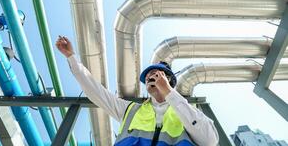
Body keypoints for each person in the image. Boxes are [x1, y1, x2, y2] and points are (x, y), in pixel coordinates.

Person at [56, 36, 219, 146]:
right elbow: (95, 91)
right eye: (147, 76)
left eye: (155, 74)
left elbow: (210, 140)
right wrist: (71, 58)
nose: (149, 77)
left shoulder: (187, 111)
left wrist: (169, 92)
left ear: (168, 80)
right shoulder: (130, 110)